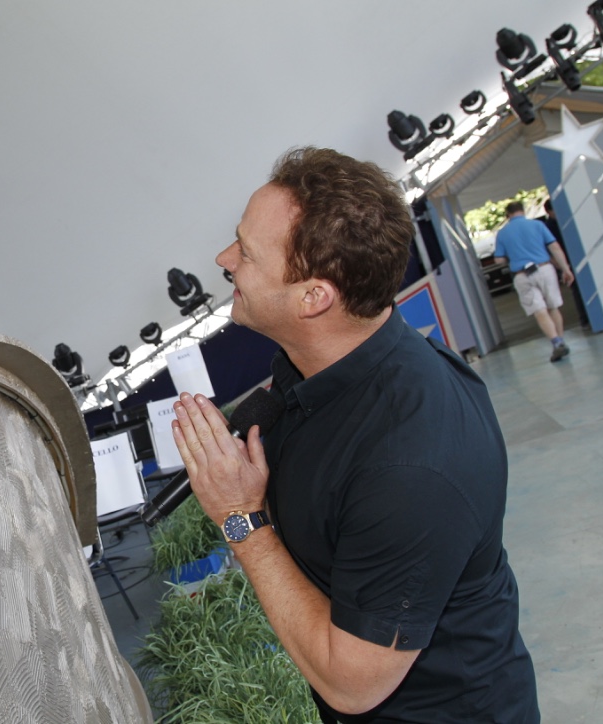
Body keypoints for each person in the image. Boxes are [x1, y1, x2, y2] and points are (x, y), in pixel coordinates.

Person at [170, 147, 538, 722]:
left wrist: (241, 519)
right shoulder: (321, 366)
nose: (224, 260)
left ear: (314, 297)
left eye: (246, 251)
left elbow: (352, 685)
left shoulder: (410, 467)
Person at [493, 201, 574, 361]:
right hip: (545, 269)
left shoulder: (502, 233)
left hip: (522, 275)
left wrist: (511, 255)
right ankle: (561, 340)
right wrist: (566, 269)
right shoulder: (538, 225)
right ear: (523, 211)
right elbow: (555, 247)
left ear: (508, 215)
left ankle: (556, 342)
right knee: (553, 307)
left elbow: (499, 260)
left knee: (539, 310)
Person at [541, 198, 589, 329]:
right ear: (549, 211)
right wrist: (561, 266)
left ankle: (586, 318)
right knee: (577, 290)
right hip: (566, 262)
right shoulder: (550, 227)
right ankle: (585, 319)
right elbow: (551, 249)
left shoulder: (558, 224)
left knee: (579, 289)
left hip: (570, 260)